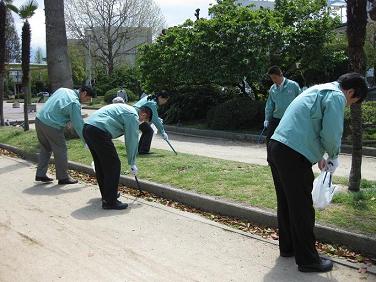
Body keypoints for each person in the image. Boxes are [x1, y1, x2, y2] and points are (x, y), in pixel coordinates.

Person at [267, 73, 368, 273]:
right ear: (350, 92)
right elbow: (331, 131)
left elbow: (308, 125)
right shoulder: (337, 96)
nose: (348, 105)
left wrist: (318, 155)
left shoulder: (318, 89)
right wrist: (334, 155)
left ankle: (288, 248)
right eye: (352, 101)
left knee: (287, 202)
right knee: (302, 206)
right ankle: (308, 260)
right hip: (293, 154)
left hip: (277, 146)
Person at [83, 104, 152, 210]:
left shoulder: (127, 109)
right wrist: (132, 162)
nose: (142, 123)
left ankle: (107, 196)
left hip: (88, 128)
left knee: (101, 164)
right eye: (145, 120)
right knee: (113, 165)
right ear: (143, 114)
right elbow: (131, 140)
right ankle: (110, 201)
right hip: (99, 131)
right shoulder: (132, 115)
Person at [35, 86, 95, 185]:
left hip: (39, 119)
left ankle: (40, 174)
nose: (87, 101)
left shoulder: (63, 90)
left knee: (45, 148)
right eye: (87, 99)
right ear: (84, 93)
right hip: (52, 125)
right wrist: (86, 141)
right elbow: (78, 125)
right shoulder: (74, 102)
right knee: (61, 150)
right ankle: (63, 177)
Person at [264, 66, 301, 143]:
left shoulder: (293, 85)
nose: (273, 80)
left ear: (281, 75)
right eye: (272, 78)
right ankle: (270, 155)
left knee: (288, 143)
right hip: (276, 118)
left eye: (275, 77)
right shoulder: (272, 88)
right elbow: (269, 105)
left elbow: (301, 102)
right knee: (269, 140)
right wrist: (267, 119)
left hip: (290, 119)